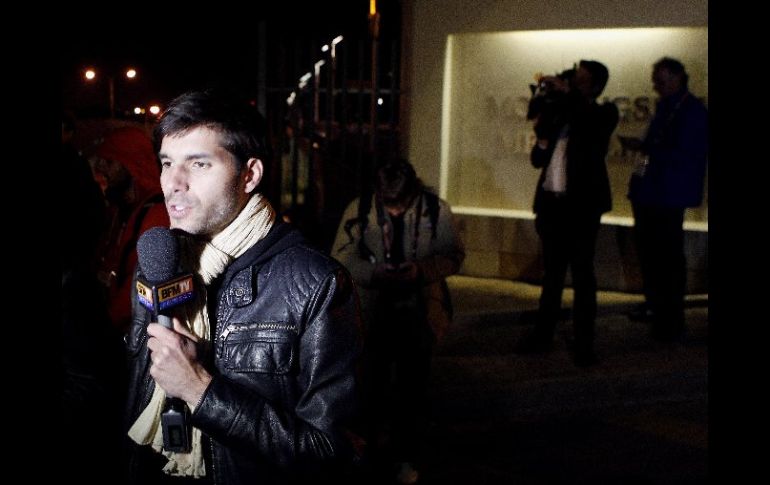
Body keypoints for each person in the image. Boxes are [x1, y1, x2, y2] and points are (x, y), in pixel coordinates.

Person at [124, 89, 363, 484]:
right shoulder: (158, 265)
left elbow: (332, 453)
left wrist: (200, 390)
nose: (173, 183)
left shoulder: (316, 284)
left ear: (249, 174)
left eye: (198, 164)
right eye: (167, 163)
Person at [332, 158, 465, 484]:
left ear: (413, 192)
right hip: (371, 311)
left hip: (418, 311)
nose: (393, 210)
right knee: (368, 387)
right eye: (387, 204)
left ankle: (406, 455)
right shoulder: (360, 209)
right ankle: (368, 452)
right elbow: (341, 257)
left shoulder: (436, 211)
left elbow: (453, 255)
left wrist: (421, 271)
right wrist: (373, 273)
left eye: (400, 204)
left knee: (412, 390)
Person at [514, 60, 619, 366]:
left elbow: (588, 123)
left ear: (595, 86)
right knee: (552, 275)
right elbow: (538, 159)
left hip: (582, 209)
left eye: (580, 80)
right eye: (573, 79)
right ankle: (542, 334)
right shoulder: (561, 113)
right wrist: (543, 127)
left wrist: (566, 93)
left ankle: (584, 342)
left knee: (583, 275)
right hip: (552, 206)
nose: (573, 83)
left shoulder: (603, 113)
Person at [626, 57, 708, 341]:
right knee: (651, 254)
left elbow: (686, 153)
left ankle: (670, 317)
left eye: (660, 80)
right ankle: (658, 308)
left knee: (668, 257)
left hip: (669, 194)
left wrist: (649, 147)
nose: (655, 86)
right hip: (649, 191)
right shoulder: (666, 108)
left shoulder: (691, 111)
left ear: (677, 78)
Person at [90, 126, 170, 334]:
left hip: (132, 333)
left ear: (131, 164)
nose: (101, 170)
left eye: (109, 162)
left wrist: (104, 324)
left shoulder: (156, 215)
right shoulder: (120, 209)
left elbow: (143, 285)